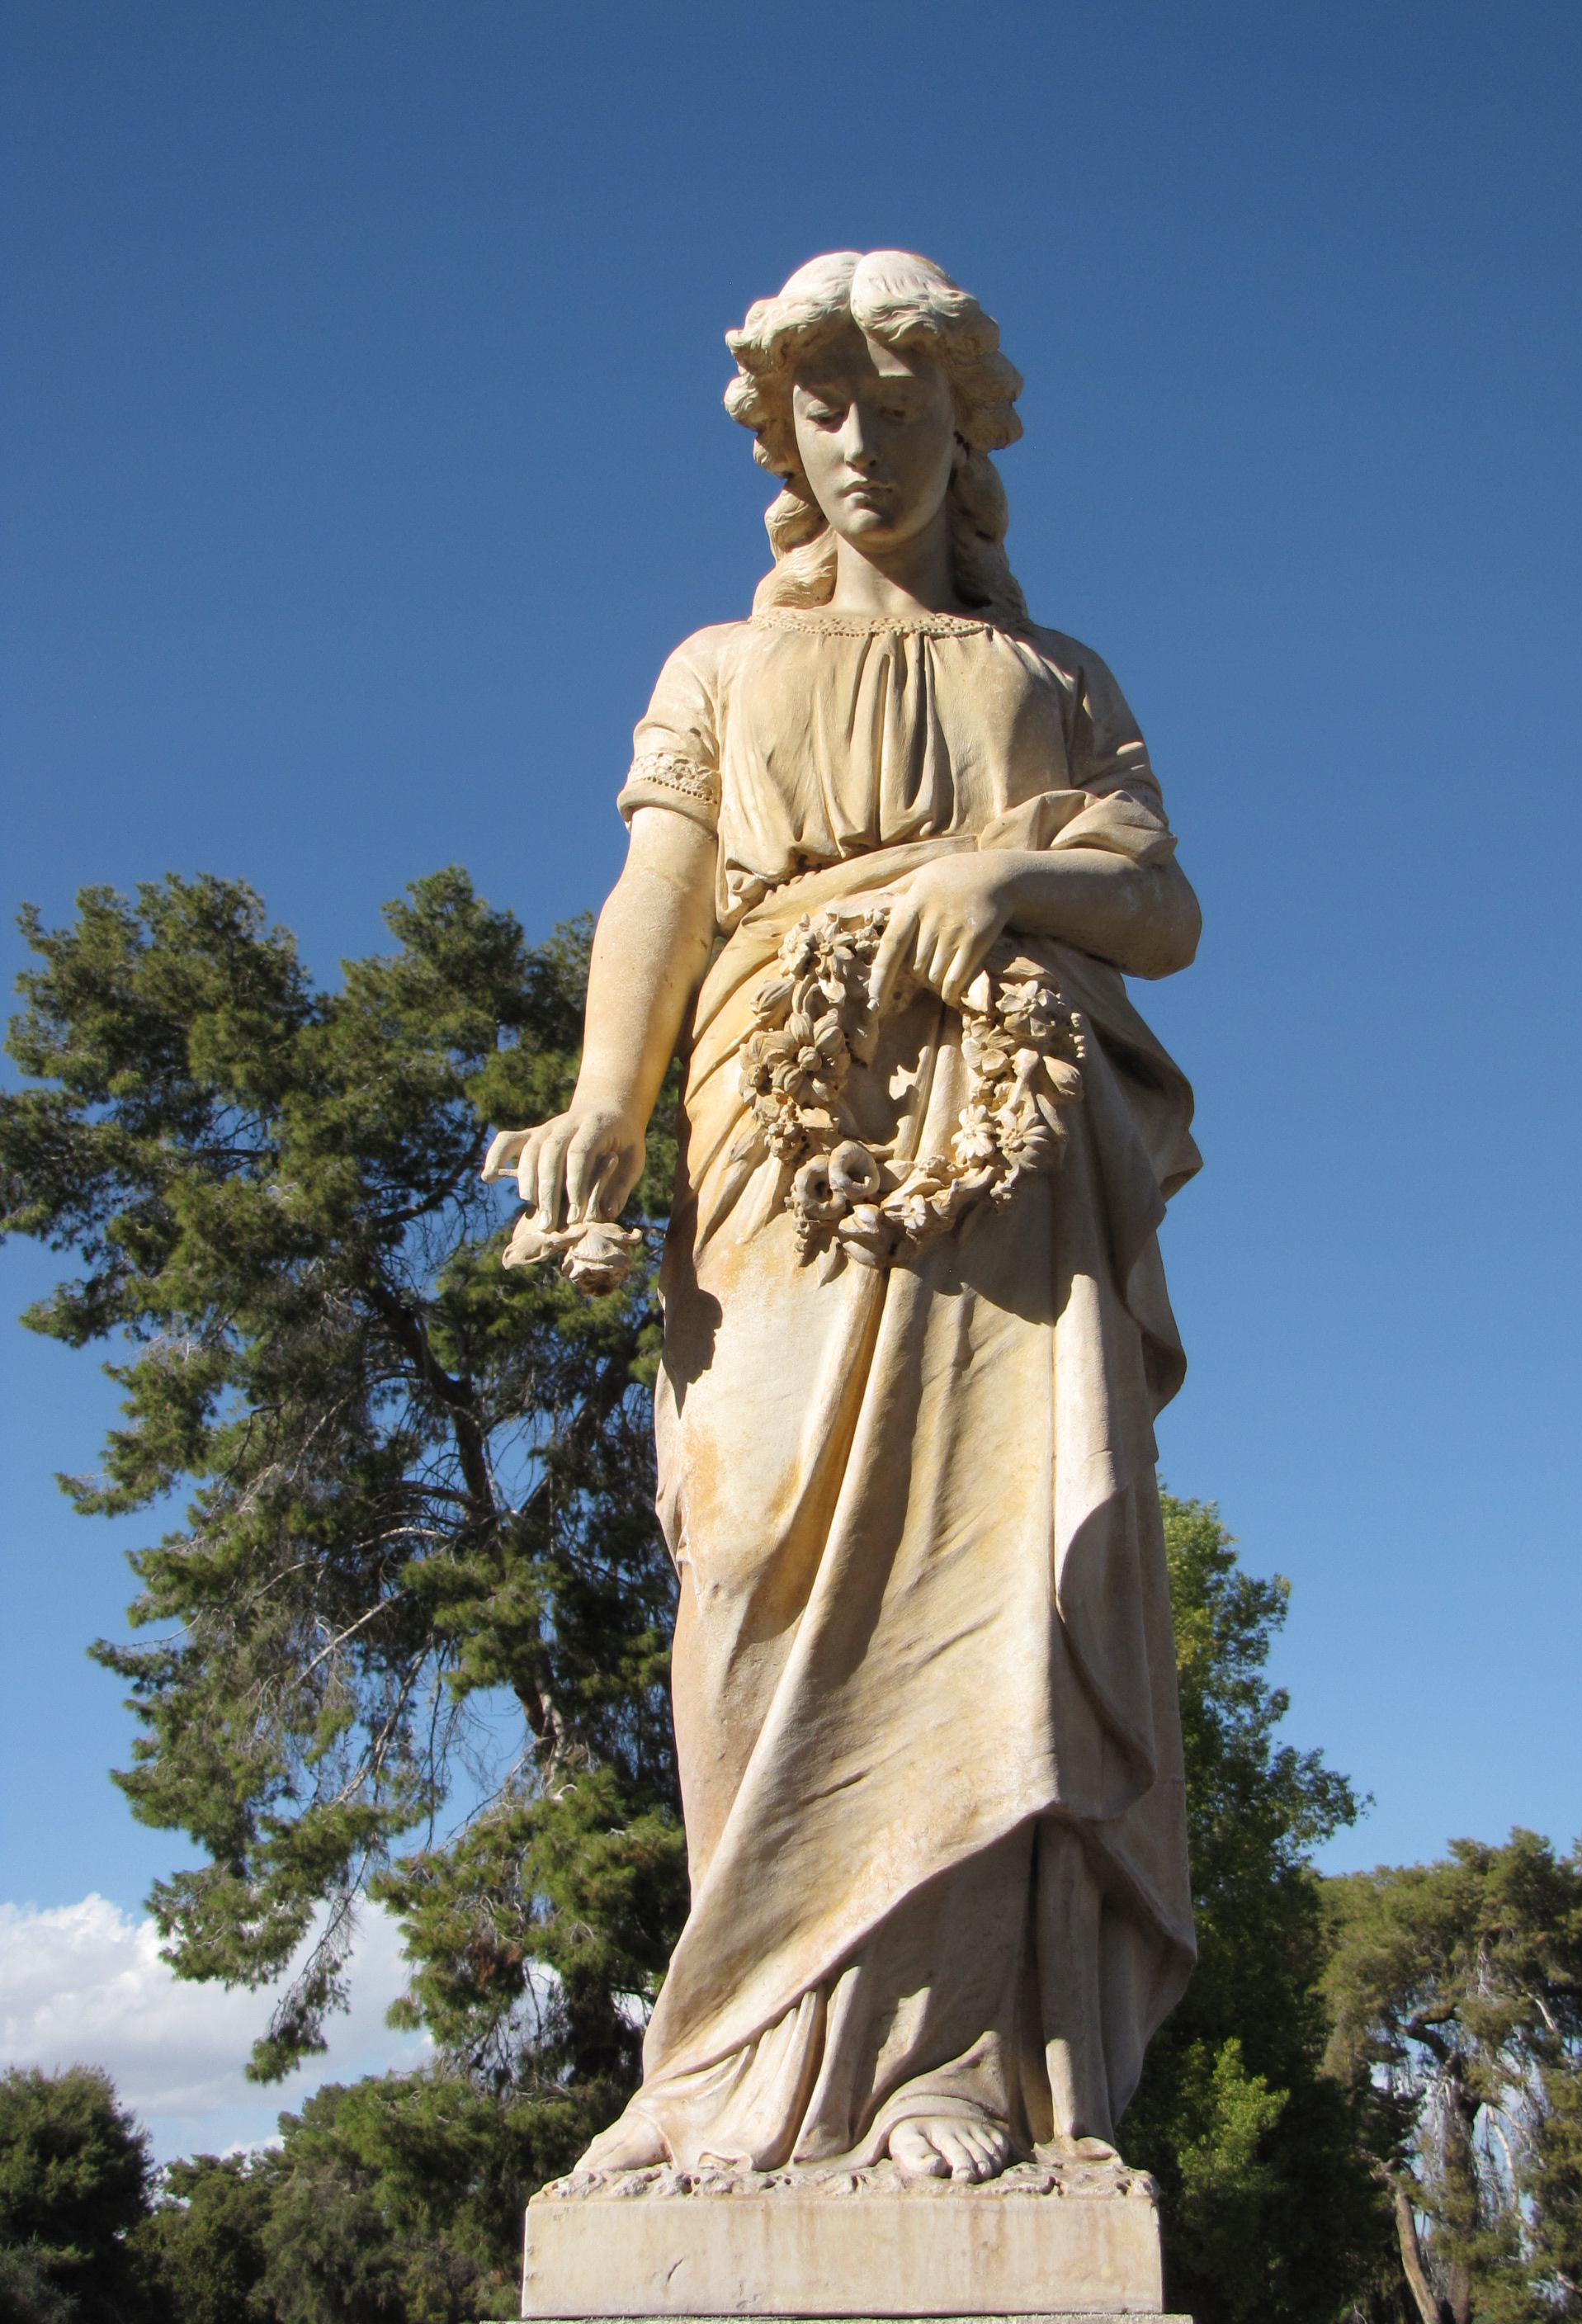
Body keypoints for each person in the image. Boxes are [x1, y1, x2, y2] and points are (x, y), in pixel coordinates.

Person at [484, 250, 1202, 2185]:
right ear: (782, 439)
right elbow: (661, 891)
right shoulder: (716, 670)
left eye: (903, 409)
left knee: (976, 1570)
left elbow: (1163, 906)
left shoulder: (1055, 679)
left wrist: (998, 881)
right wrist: (604, 1101)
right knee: (748, 1551)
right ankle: (725, 2056)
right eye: (828, 412)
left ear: (967, 431)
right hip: (770, 1117)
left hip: (1007, 1133)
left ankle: (944, 2063)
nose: (866, 443)